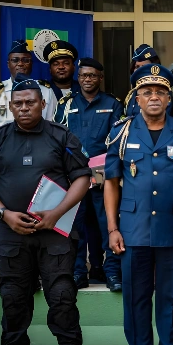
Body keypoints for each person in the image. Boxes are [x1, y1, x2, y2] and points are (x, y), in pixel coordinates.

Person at [0, 74, 91, 345]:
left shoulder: (61, 136)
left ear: (42, 104)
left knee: (63, 297)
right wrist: (4, 214)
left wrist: (56, 213)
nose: (24, 108)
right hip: (12, 235)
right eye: (18, 103)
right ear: (11, 106)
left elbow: (82, 178)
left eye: (30, 102)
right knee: (13, 299)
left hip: (54, 234)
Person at [104, 64, 173, 345]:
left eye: (160, 91)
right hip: (132, 230)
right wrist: (112, 228)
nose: (154, 97)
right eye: (147, 92)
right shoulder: (121, 132)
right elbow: (111, 182)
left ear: (169, 96)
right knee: (136, 299)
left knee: (172, 299)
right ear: (137, 97)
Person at [55, 58, 123, 291]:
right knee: (76, 226)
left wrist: (106, 169)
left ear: (100, 78)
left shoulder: (113, 104)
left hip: (104, 176)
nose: (87, 79)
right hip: (74, 176)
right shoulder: (67, 103)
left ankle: (112, 272)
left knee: (108, 225)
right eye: (83, 75)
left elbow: (117, 140)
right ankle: (77, 273)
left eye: (92, 75)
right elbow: (58, 137)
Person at [0, 39, 57, 142]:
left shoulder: (46, 90)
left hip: (39, 147)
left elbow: (53, 126)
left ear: (31, 64)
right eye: (15, 60)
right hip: (4, 150)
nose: (20, 64)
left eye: (25, 60)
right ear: (8, 64)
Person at [124, 44, 173, 118]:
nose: (140, 70)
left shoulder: (164, 93)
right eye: (137, 67)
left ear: (154, 69)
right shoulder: (131, 94)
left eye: (144, 67)